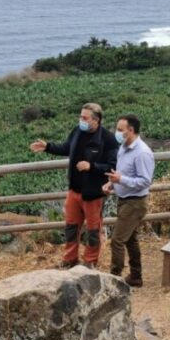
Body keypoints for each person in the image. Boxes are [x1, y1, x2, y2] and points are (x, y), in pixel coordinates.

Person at [29, 103, 118, 268]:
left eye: (85, 118)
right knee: (70, 228)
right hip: (74, 191)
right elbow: (67, 147)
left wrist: (91, 167)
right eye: (80, 116)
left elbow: (112, 166)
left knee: (93, 231)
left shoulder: (108, 139)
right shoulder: (77, 131)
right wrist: (48, 147)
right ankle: (69, 259)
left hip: (93, 194)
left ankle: (90, 262)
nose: (81, 120)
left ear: (96, 120)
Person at [103, 114, 154, 287]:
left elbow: (145, 181)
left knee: (117, 240)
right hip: (125, 200)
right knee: (131, 240)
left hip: (135, 202)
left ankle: (114, 279)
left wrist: (121, 180)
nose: (116, 133)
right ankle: (136, 276)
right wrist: (111, 183)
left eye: (120, 130)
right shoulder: (124, 147)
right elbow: (121, 172)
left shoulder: (142, 153)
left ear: (130, 130)